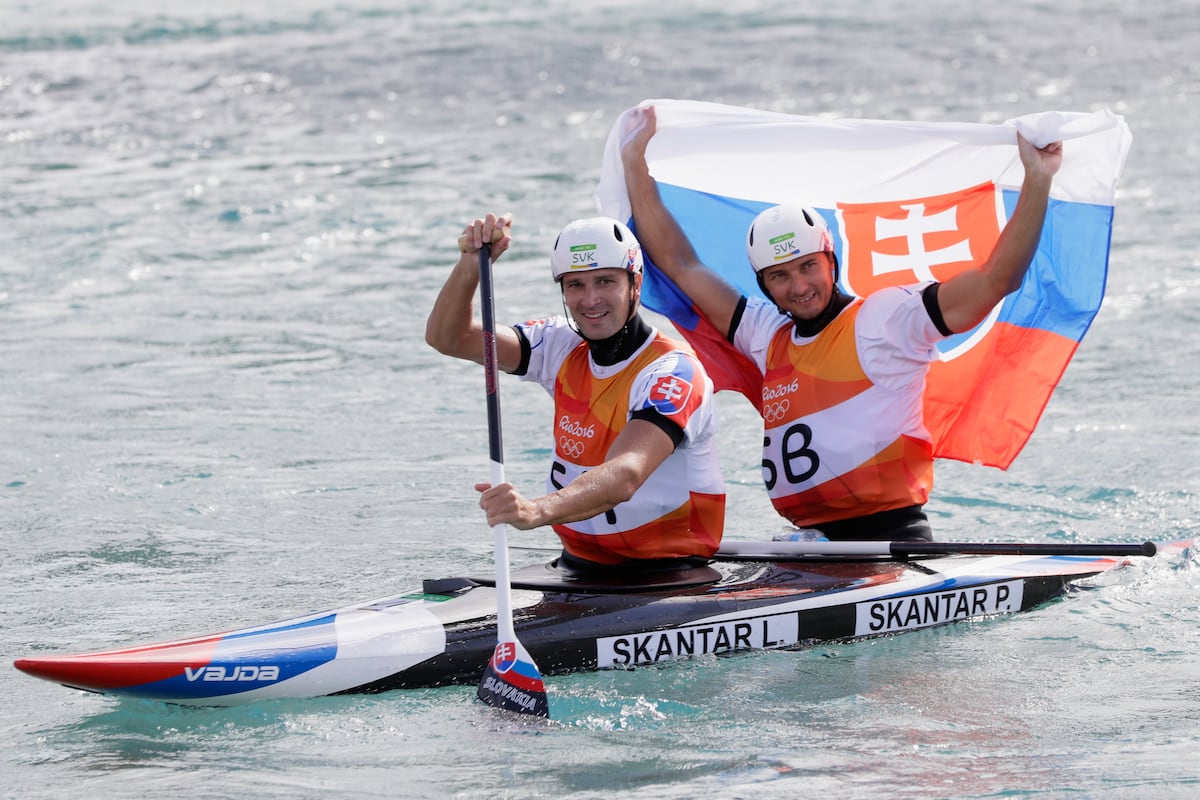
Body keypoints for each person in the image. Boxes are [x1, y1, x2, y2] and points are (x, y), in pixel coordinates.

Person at [620, 104, 1063, 541]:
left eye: (808, 266)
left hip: (889, 541)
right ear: (764, 284)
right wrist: (634, 161)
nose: (798, 286)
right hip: (809, 544)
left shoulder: (887, 318)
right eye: (780, 276)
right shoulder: (764, 332)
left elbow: (995, 280)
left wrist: (1037, 180)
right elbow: (680, 264)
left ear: (831, 260)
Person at [425, 212, 726, 569]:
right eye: (575, 285)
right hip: (579, 566)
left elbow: (627, 473)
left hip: (668, 573)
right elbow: (449, 338)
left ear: (636, 283)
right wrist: (471, 266)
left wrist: (536, 510)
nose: (590, 299)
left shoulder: (673, 371)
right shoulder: (558, 344)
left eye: (605, 282)